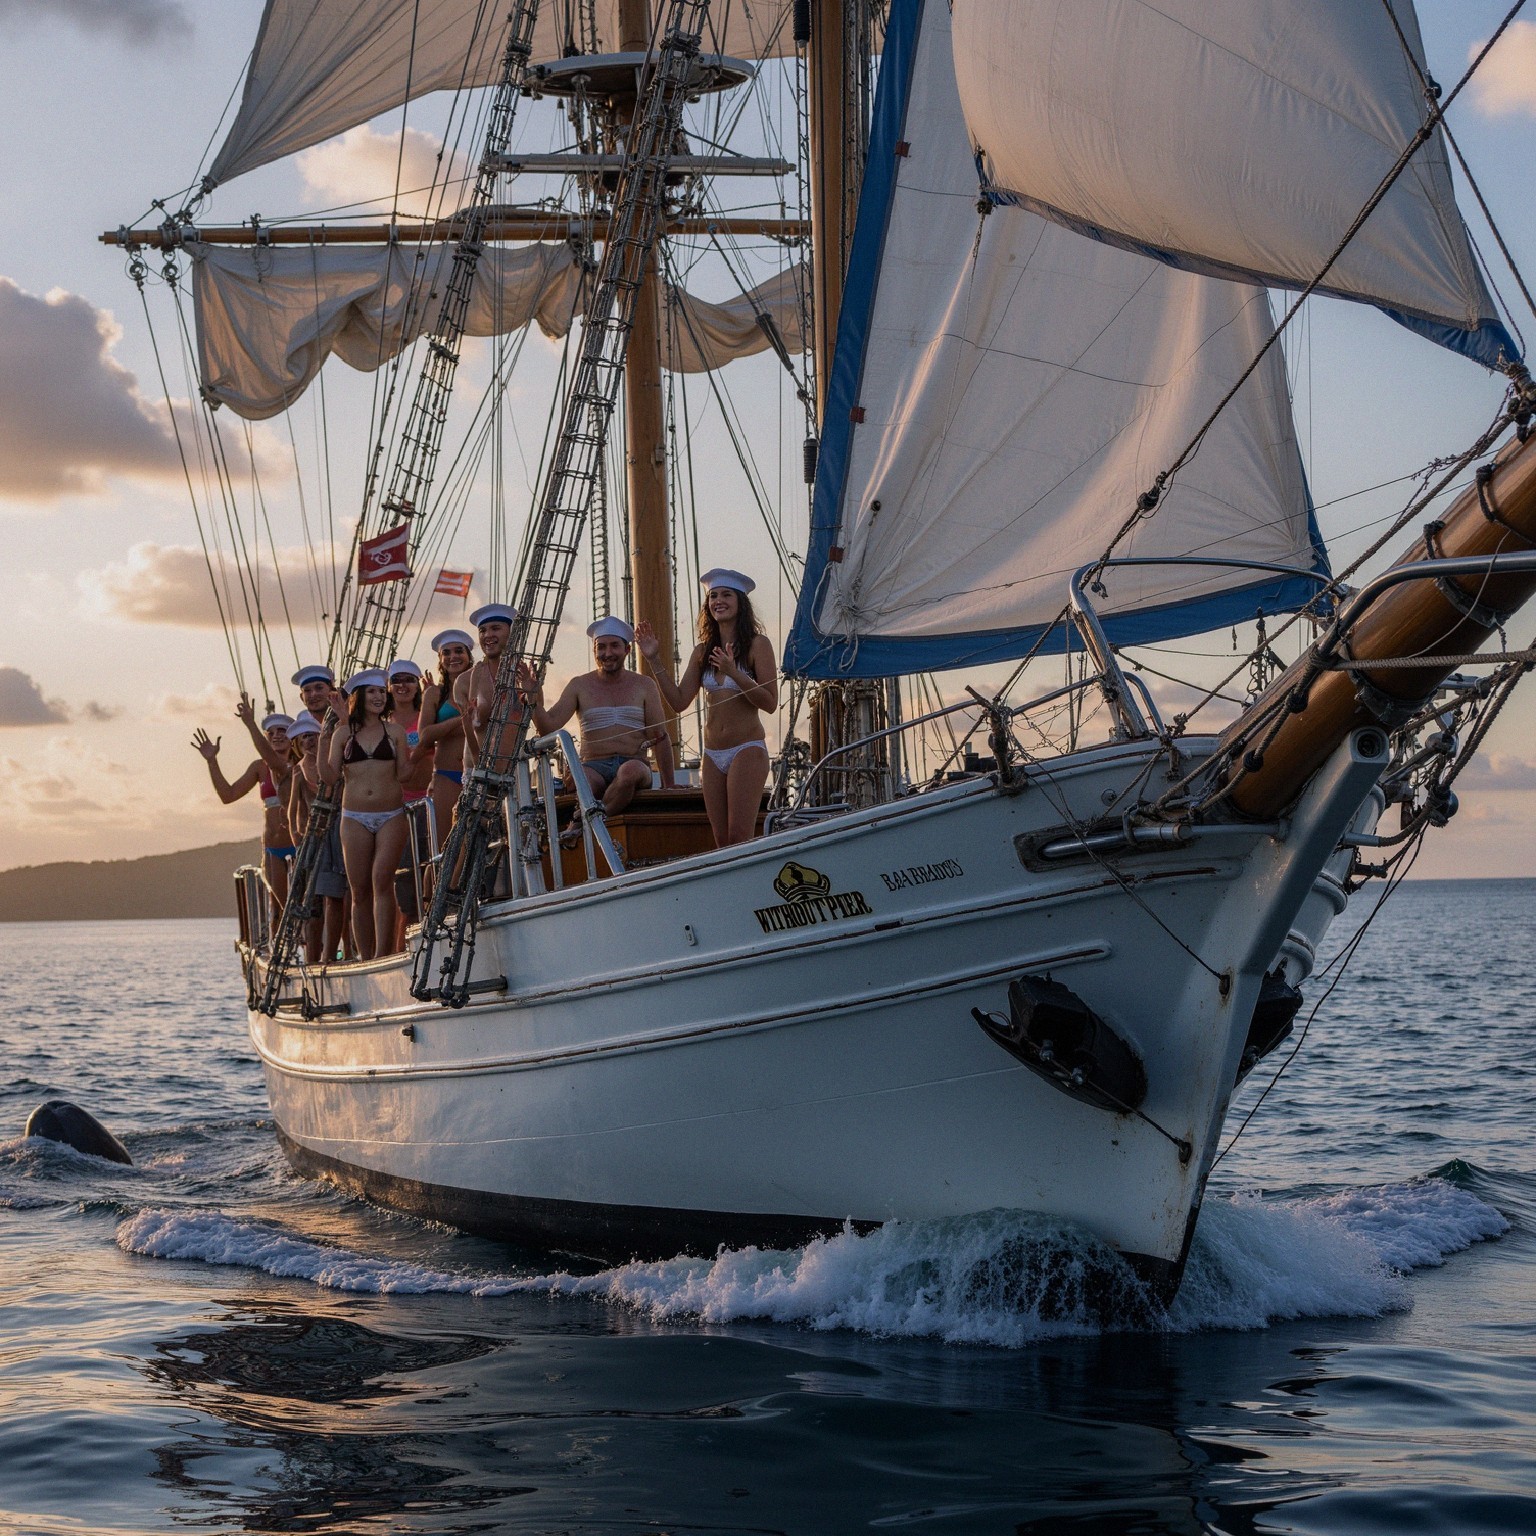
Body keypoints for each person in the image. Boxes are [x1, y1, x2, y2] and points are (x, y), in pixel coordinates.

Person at [637, 568, 777, 847]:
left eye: (726, 595)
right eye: (713, 596)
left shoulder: (758, 645)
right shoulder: (702, 651)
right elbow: (679, 702)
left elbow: (770, 702)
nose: (718, 601)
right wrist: (654, 660)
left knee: (739, 838)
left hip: (746, 749)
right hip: (712, 754)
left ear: (740, 602)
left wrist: (733, 671)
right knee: (721, 841)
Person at [520, 617, 675, 833]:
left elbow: (659, 736)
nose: (607, 653)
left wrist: (669, 785)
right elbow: (548, 727)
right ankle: (589, 820)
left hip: (634, 763)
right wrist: (532, 697)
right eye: (601, 647)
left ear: (627, 650)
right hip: (593, 765)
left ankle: (585, 822)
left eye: (614, 646)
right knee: (584, 780)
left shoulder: (645, 685)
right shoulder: (579, 685)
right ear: (594, 651)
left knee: (629, 772)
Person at [321, 669, 411, 960]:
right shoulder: (343, 733)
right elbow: (330, 777)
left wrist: (419, 749)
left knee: (382, 880)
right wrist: (323, 740)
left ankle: (383, 954)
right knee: (359, 891)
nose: (379, 696)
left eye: (382, 692)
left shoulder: (395, 732)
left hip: (391, 815)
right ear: (359, 696)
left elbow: (404, 774)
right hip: (354, 818)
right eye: (372, 692)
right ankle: (366, 956)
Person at [192, 697, 295, 913]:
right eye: (271, 733)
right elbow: (228, 795)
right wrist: (212, 761)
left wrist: (250, 723)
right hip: (273, 848)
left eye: (282, 730)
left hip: (299, 845)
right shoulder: (259, 768)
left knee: (301, 908)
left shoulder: (301, 766)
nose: (276, 735)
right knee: (279, 911)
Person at [290, 662, 352, 959]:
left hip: (351, 811)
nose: (314, 694)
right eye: (308, 690)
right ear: (302, 697)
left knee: (354, 890)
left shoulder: (345, 718)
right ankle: (328, 955)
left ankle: (352, 950)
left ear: (331, 690)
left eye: (319, 688)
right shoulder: (312, 740)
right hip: (325, 823)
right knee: (329, 895)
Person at [418, 628, 473, 839]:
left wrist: (445, 727)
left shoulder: (482, 689)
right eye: (446, 653)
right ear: (441, 661)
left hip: (478, 774)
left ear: (468, 656)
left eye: (459, 651)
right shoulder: (434, 694)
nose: (453, 657)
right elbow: (424, 736)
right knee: (443, 845)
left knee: (478, 843)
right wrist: (462, 719)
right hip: (446, 775)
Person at [463, 602, 524, 773]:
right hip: (481, 771)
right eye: (482, 630)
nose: (488, 635)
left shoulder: (524, 673)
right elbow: (470, 726)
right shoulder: (472, 677)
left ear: (512, 633)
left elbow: (541, 722)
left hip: (515, 772)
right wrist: (478, 766)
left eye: (495, 628)